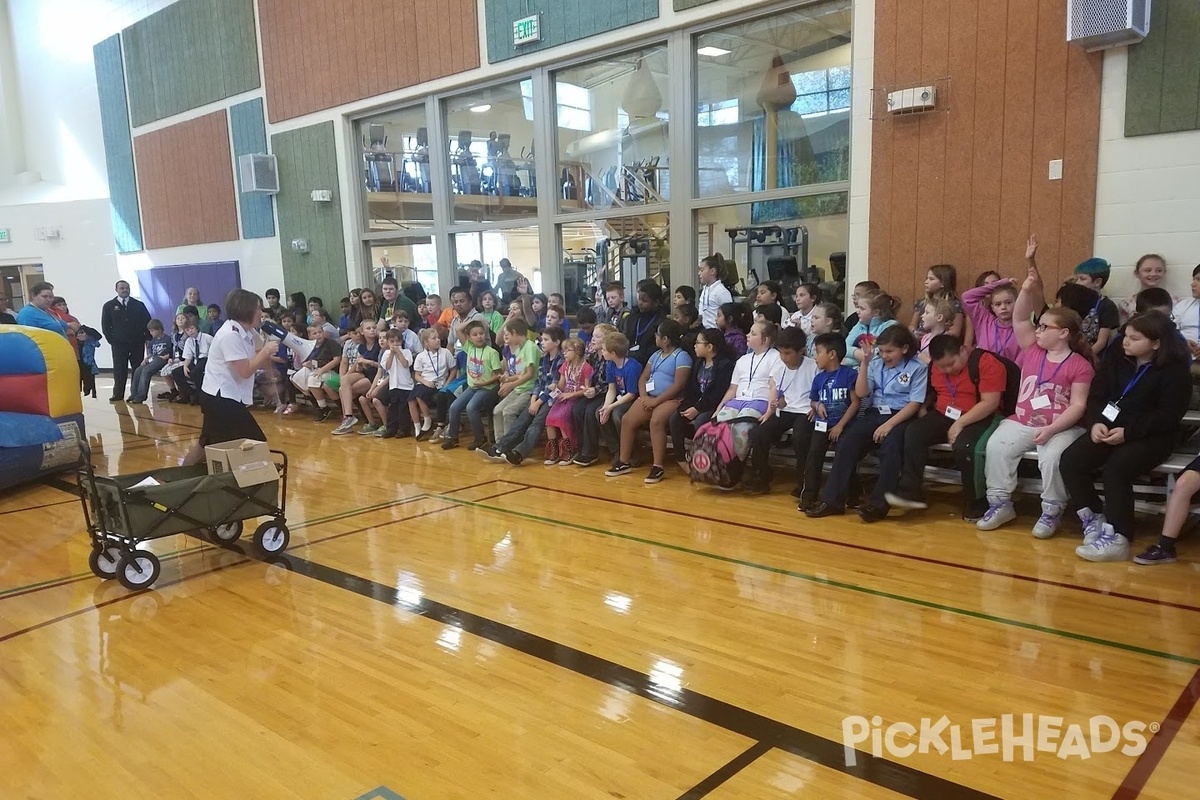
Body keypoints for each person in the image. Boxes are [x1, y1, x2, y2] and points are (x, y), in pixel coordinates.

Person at [977, 251, 1094, 536]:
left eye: (1044, 327)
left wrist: (1053, 428)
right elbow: (1019, 320)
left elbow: (1078, 406)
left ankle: (1051, 510)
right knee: (997, 447)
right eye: (1038, 326)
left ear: (1064, 333)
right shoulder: (1034, 350)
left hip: (1061, 425)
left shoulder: (1080, 365)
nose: (1037, 330)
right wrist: (1027, 289)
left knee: (1052, 457)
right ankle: (1001, 502)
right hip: (1024, 419)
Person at [1061, 311, 1191, 561]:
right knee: (1071, 460)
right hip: (1109, 427)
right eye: (1125, 335)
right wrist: (1096, 422)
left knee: (1116, 469)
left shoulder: (1175, 372)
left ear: (1156, 343)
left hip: (1152, 435)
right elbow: (1097, 394)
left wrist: (1128, 433)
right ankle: (1094, 516)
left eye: (1135, 338)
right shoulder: (1117, 358)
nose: (1126, 342)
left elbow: (1168, 415)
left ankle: (1119, 537)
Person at [805, 325, 927, 522]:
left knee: (892, 448)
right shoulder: (876, 363)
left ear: (904, 349)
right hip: (874, 413)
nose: (885, 356)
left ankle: (878, 505)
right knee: (847, 441)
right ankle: (833, 501)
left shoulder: (917, 368)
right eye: (882, 351)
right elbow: (862, 393)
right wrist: (866, 363)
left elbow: (914, 403)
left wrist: (888, 425)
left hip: (900, 416)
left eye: (890, 351)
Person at [885, 335, 1006, 521]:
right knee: (914, 432)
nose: (947, 370)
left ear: (963, 351)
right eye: (942, 366)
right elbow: (934, 391)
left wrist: (960, 423)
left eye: (951, 364)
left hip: (980, 414)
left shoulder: (987, 362)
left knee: (964, 446)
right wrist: (925, 407)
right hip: (945, 412)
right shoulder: (935, 367)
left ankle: (977, 501)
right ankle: (909, 491)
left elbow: (990, 403)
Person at [181, 289, 278, 466]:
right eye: (258, 309)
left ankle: (178, 481)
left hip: (225, 396)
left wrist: (272, 378)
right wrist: (266, 350)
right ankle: (250, 483)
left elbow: (259, 353)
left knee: (205, 445)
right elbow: (245, 371)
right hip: (220, 398)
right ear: (246, 310)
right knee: (254, 442)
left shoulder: (248, 331)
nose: (261, 313)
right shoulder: (230, 335)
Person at [607, 320, 693, 483]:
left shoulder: (682, 357)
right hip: (650, 396)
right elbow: (644, 377)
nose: (655, 337)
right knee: (627, 419)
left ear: (665, 339)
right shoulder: (656, 354)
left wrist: (656, 401)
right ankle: (624, 461)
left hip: (671, 399)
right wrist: (644, 396)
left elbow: (678, 385)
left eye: (658, 335)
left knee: (656, 422)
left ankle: (658, 466)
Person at [744, 326, 816, 495]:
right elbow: (780, 393)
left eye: (788, 353)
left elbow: (818, 391)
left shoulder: (813, 366)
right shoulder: (779, 367)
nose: (784, 357)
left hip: (805, 411)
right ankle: (761, 476)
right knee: (760, 432)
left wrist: (816, 406)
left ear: (801, 351)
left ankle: (803, 482)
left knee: (800, 437)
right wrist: (776, 405)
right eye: (781, 353)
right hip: (786, 410)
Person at [794, 333, 860, 509]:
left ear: (832, 354)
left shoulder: (849, 374)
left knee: (844, 457)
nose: (815, 357)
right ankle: (809, 495)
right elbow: (813, 400)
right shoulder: (819, 378)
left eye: (818, 352)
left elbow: (855, 402)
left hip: (844, 425)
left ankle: (853, 495)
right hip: (822, 424)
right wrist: (817, 405)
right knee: (813, 456)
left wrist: (840, 425)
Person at [486, 327, 565, 466]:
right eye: (542, 339)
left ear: (557, 342)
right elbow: (539, 381)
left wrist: (538, 402)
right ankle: (500, 447)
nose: (542, 342)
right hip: (539, 397)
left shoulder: (561, 361)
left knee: (536, 424)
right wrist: (534, 398)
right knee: (522, 420)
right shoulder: (544, 359)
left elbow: (555, 385)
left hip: (553, 399)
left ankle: (519, 453)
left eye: (546, 340)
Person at [668, 328, 734, 469]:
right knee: (675, 418)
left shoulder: (725, 365)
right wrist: (687, 406)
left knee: (701, 421)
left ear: (709, 347)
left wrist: (697, 409)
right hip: (698, 403)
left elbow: (717, 395)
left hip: (714, 406)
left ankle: (704, 462)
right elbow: (693, 390)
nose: (695, 345)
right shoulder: (698, 363)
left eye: (698, 343)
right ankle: (681, 458)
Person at [442, 320, 502, 450]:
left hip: (487, 388)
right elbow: (458, 330)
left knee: (471, 407)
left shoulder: (491, 352)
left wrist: (483, 382)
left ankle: (480, 438)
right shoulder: (469, 348)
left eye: (481, 333)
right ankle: (453, 438)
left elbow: (498, 375)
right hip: (473, 387)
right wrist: (473, 321)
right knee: (454, 407)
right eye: (475, 334)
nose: (479, 336)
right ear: (469, 337)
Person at [100, 280, 152, 402]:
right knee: (119, 369)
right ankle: (118, 394)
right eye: (122, 288)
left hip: (137, 342)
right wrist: (112, 340)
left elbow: (147, 322)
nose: (125, 290)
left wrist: (147, 337)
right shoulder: (109, 306)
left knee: (137, 368)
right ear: (116, 290)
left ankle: (135, 394)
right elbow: (106, 325)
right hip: (118, 344)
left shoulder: (138, 305)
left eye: (127, 288)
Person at [409, 328, 457, 440]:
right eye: (434, 338)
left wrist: (447, 383)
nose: (437, 340)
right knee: (412, 398)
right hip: (426, 382)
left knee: (418, 395)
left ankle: (427, 421)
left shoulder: (446, 352)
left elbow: (453, 370)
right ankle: (419, 425)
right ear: (426, 342)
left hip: (440, 384)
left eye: (438, 338)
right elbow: (417, 375)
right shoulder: (421, 356)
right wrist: (426, 382)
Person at [290, 324, 341, 421]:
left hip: (330, 370)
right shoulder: (310, 345)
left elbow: (337, 360)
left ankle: (324, 407)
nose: (318, 335)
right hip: (315, 369)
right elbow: (308, 360)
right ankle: (317, 404)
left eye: (320, 332)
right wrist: (307, 364)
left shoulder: (331, 343)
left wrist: (322, 370)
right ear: (310, 336)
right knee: (295, 378)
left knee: (313, 379)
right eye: (315, 333)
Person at [962, 277, 1020, 361]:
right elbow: (967, 297)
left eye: (1008, 302)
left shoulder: (1022, 327)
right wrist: (1000, 284)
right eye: (998, 304)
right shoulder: (984, 321)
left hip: (1012, 372)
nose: (1003, 307)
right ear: (992, 307)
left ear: (1017, 303)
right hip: (985, 371)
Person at [844, 291, 901, 367]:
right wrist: (856, 353)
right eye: (858, 307)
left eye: (862, 308)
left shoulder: (890, 326)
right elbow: (844, 347)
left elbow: (881, 355)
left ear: (876, 312)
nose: (857, 311)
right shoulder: (860, 325)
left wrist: (848, 361)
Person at [910, 265, 965, 341]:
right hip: (920, 343)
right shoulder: (922, 302)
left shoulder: (954, 304)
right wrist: (914, 332)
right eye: (927, 278)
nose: (926, 282)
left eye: (931, 279)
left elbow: (955, 331)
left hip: (940, 344)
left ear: (943, 283)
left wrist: (932, 337)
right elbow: (913, 325)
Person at [1116, 254, 1172, 324]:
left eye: (1159, 270)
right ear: (1137, 273)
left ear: (1164, 272)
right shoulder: (1126, 304)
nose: (1153, 274)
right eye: (1148, 270)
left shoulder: (1174, 302)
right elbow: (1123, 330)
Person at [127, 319, 173, 404]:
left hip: (162, 359)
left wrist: (164, 357)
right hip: (154, 359)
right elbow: (151, 353)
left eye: (152, 331)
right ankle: (134, 393)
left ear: (159, 329)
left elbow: (171, 352)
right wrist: (146, 359)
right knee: (138, 370)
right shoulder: (153, 341)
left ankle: (141, 395)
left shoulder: (168, 339)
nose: (151, 333)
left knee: (146, 371)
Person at [1171, 263, 1200, 359]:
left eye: (1199, 280)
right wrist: (1182, 342)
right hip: (1183, 359)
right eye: (1194, 279)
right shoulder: (1183, 305)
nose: (1193, 284)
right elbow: (1168, 331)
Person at [697, 254, 733, 328]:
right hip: (705, 330)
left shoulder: (721, 292)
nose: (699, 273)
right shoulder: (705, 289)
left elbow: (729, 315)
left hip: (716, 332)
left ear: (712, 271)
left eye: (702, 270)